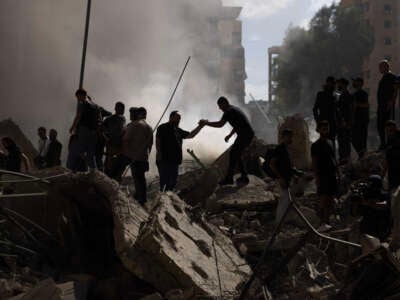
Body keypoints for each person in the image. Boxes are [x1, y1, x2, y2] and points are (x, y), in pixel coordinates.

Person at [201, 96, 255, 185]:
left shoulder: (228, 111)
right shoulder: (233, 109)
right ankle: (243, 176)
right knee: (236, 153)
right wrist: (230, 135)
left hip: (245, 135)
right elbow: (237, 124)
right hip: (246, 134)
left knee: (234, 153)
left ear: (224, 103)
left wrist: (206, 123)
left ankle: (230, 178)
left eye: (220, 106)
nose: (219, 108)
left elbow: (220, 124)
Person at [156, 110, 204, 191]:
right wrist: (159, 154)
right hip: (164, 160)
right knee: (164, 181)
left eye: (179, 119)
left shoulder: (178, 130)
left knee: (173, 182)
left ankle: (168, 198)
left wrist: (200, 126)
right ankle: (162, 198)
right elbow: (158, 141)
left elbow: (191, 135)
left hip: (174, 161)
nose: (179, 120)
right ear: (171, 118)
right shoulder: (163, 127)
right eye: (177, 118)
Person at [269, 128, 303, 223]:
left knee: (288, 201)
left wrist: (295, 174)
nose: (290, 139)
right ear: (283, 137)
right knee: (284, 202)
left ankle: (283, 222)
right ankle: (278, 224)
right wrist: (280, 178)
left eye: (291, 137)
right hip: (282, 180)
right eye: (289, 137)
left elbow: (287, 167)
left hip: (287, 179)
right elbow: (272, 164)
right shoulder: (279, 149)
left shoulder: (285, 150)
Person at [311, 121, 339, 231]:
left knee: (330, 199)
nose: (325, 130)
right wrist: (317, 177)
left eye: (326, 128)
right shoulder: (315, 145)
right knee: (323, 199)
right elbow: (314, 162)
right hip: (323, 175)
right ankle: (322, 222)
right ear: (318, 130)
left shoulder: (330, 142)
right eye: (323, 128)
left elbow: (334, 159)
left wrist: (338, 173)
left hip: (331, 175)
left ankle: (327, 222)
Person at [122, 107, 153, 205]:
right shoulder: (149, 127)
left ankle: (140, 200)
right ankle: (141, 197)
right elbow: (150, 146)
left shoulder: (134, 125)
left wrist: (124, 153)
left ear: (138, 114)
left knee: (137, 178)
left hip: (134, 156)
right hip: (143, 157)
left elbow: (126, 140)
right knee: (141, 178)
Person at [68, 89, 101, 172]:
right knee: (90, 153)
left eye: (77, 97)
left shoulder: (82, 103)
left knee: (76, 150)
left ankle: (70, 170)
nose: (77, 99)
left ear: (81, 95)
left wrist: (72, 127)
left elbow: (78, 116)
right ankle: (94, 171)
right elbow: (99, 119)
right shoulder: (96, 106)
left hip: (84, 130)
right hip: (93, 133)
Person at [108, 107, 137, 182]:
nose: (130, 115)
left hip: (127, 153)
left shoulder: (135, 126)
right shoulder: (130, 125)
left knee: (116, 170)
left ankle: (114, 186)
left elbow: (127, 140)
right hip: (124, 152)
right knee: (116, 170)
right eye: (130, 113)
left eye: (132, 113)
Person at [377, 60, 398, 150]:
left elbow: (395, 90)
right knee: (380, 125)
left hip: (387, 104)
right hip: (382, 104)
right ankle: (383, 143)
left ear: (386, 67)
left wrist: (391, 101)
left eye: (381, 67)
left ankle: (388, 143)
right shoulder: (384, 77)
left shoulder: (391, 76)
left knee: (387, 124)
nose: (380, 69)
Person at [103, 102, 126, 177]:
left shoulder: (122, 119)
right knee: (110, 165)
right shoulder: (111, 119)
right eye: (122, 108)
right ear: (117, 109)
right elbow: (101, 129)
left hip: (117, 146)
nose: (123, 110)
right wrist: (106, 138)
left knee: (112, 164)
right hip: (113, 145)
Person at [313, 76, 337, 143]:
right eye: (329, 83)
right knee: (324, 142)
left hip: (331, 123)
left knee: (331, 143)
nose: (330, 84)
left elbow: (337, 111)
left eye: (332, 83)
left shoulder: (335, 96)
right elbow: (315, 109)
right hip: (324, 122)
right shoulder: (321, 94)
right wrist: (318, 121)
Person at [351, 77, 369, 159]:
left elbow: (366, 105)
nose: (354, 83)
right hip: (356, 120)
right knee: (354, 139)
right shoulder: (354, 94)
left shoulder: (363, 93)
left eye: (355, 82)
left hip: (362, 120)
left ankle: (362, 156)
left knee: (361, 139)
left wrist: (357, 105)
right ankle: (361, 155)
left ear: (360, 84)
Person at [336, 78, 353, 164]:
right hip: (342, 123)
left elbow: (349, 110)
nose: (337, 86)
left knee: (345, 142)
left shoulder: (347, 95)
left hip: (345, 123)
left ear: (343, 85)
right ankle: (343, 159)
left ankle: (345, 160)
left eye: (339, 84)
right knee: (341, 141)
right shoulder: (342, 95)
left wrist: (346, 122)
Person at [385, 121, 400, 191]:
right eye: (387, 131)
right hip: (392, 167)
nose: (388, 133)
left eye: (390, 131)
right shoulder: (390, 138)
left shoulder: (396, 138)